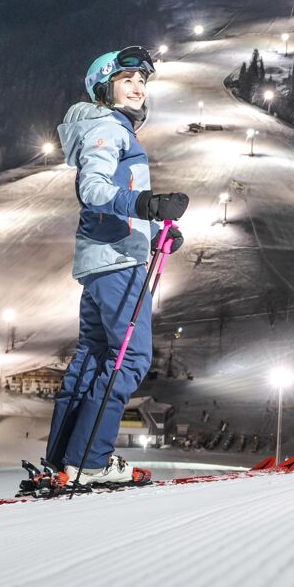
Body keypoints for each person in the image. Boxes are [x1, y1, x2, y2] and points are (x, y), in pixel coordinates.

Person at [45, 47, 189, 484]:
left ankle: (65, 459)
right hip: (116, 262)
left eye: (142, 80)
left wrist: (157, 230)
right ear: (104, 87)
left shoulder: (106, 127)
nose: (138, 86)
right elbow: (93, 188)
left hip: (103, 259)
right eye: (128, 79)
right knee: (130, 358)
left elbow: (113, 198)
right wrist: (145, 204)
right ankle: (92, 460)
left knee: (94, 356)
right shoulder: (108, 127)